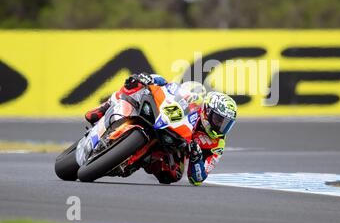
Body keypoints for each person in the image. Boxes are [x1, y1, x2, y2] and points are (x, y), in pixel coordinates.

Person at [84, 73, 237, 186]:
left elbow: (197, 179)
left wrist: (196, 158)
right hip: (166, 120)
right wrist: (153, 80)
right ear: (207, 111)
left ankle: (141, 160)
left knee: (173, 176)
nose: (221, 126)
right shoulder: (195, 100)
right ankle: (104, 108)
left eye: (226, 123)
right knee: (136, 84)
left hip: (176, 146)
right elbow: (173, 88)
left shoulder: (217, 145)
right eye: (218, 120)